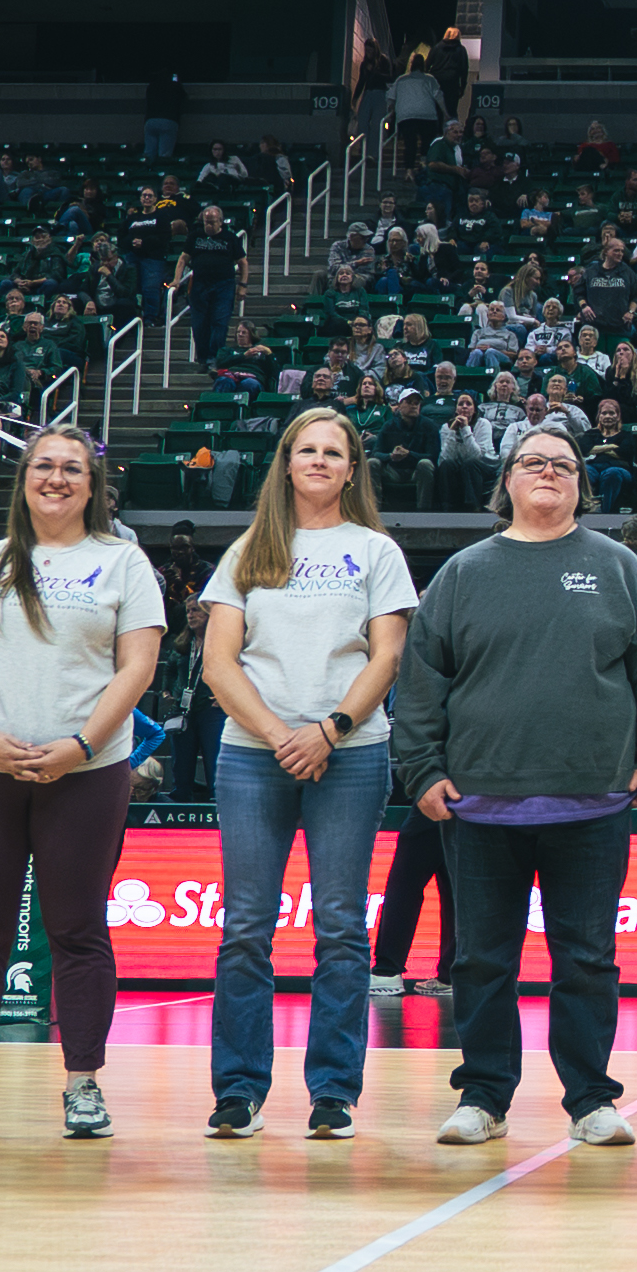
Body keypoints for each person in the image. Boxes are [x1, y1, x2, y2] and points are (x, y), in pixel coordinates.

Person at [397, 419, 637, 1149]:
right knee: (481, 959)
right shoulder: (464, 572)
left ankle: (590, 1099)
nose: (548, 472)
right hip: (479, 803)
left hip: (593, 799)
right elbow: (421, 682)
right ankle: (484, 1096)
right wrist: (422, 769)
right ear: (507, 482)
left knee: (586, 960)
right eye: (532, 462)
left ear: (581, 483)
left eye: (564, 464)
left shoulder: (619, 568)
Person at [0, 427, 169, 1142]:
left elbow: (136, 668)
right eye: (43, 466)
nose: (56, 478)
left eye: (72, 468)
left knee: (78, 930)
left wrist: (81, 745)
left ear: (93, 485)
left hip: (85, 772)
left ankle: (83, 1085)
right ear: (23, 481)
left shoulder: (122, 561)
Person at [195, 407, 415, 1142]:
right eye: (307, 449)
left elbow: (385, 657)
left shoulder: (375, 550)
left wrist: (329, 731)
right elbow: (220, 663)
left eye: (335, 452)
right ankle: (238, 1090)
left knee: (342, 930)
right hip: (255, 756)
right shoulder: (250, 549)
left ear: (353, 469)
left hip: (350, 756)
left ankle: (333, 1092)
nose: (319, 461)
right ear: (286, 461)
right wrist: (281, 735)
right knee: (247, 929)